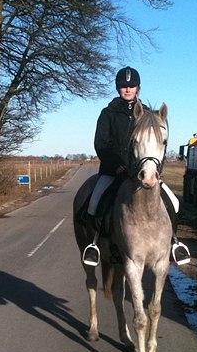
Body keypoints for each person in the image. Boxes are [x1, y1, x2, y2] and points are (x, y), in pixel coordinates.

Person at [81, 66, 191, 267]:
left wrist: (157, 169)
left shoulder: (149, 114)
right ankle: (95, 244)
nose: (127, 89)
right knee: (94, 202)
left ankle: (174, 242)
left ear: (138, 88)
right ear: (118, 88)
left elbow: (159, 145)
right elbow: (101, 144)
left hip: (144, 170)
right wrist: (117, 166)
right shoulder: (108, 113)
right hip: (114, 171)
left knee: (173, 203)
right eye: (123, 86)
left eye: (131, 86)